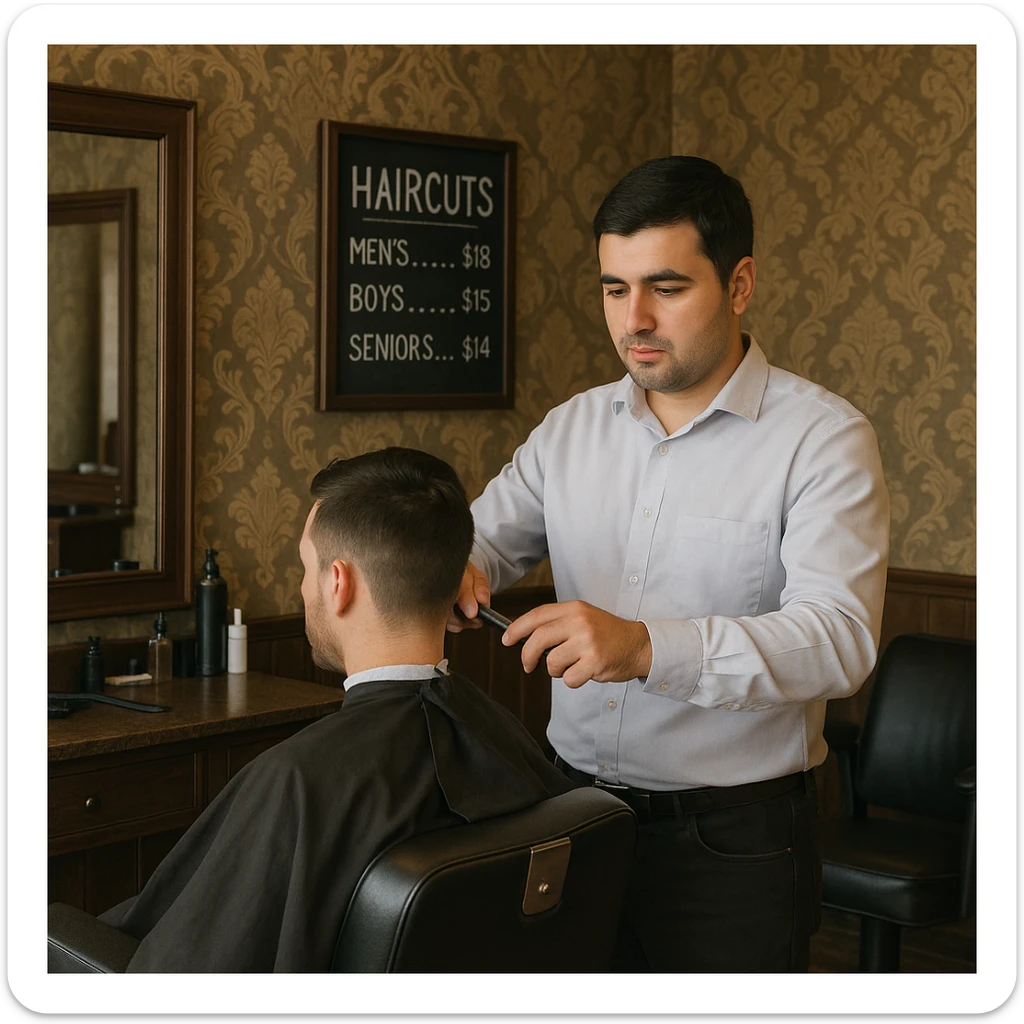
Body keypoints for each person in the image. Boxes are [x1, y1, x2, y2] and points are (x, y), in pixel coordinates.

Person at [449, 155, 890, 972]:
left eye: (667, 287)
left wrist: (647, 647)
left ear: (740, 283)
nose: (635, 319)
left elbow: (839, 640)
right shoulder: (569, 430)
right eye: (615, 289)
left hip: (734, 847)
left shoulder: (824, 440)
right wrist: (452, 568)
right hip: (570, 818)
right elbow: (479, 543)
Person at [99, 447, 572, 972]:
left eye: (307, 567)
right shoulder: (505, 738)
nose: (304, 586)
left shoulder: (296, 780)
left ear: (338, 583)